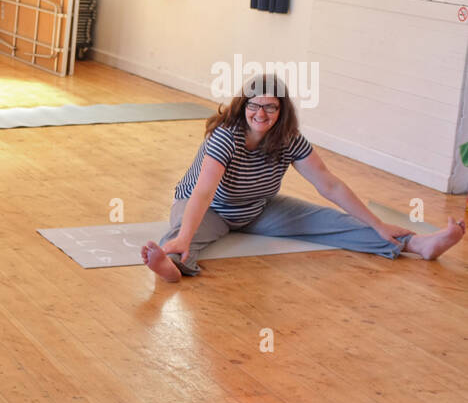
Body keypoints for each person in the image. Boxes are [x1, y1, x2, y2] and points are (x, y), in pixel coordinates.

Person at [142, 76, 464, 282]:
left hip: (258, 208)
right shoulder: (227, 136)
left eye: (271, 107)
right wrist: (185, 236)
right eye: (255, 106)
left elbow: (329, 184)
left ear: (282, 111)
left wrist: (379, 223)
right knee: (182, 237)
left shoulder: (289, 139)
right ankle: (171, 266)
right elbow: (204, 191)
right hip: (211, 207)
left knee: (331, 222)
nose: (261, 114)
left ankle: (418, 244)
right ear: (243, 107)